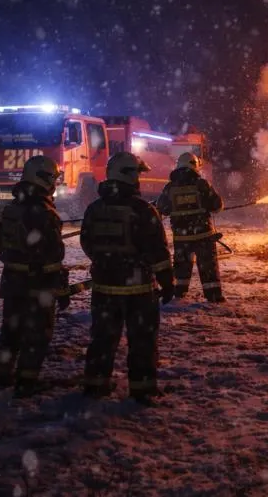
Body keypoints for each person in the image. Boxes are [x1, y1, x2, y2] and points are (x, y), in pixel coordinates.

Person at [80, 152, 174, 404]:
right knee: (142, 340)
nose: (139, 180)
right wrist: (167, 281)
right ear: (129, 175)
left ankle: (95, 385)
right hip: (139, 290)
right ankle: (142, 389)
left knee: (102, 338)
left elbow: (87, 243)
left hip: (103, 288)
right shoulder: (143, 210)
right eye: (137, 174)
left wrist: (108, 264)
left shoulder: (95, 209)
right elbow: (158, 251)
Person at [0, 155, 71, 397]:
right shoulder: (44, 212)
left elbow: (1, 244)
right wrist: (60, 287)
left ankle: (0, 374)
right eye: (53, 179)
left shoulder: (12, 208)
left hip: (13, 281)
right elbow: (53, 255)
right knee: (37, 333)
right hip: (38, 285)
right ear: (43, 179)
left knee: (11, 330)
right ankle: (26, 382)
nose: (55, 185)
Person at [156, 152, 226, 303]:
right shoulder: (201, 184)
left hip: (182, 237)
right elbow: (217, 205)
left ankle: (179, 294)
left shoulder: (170, 187)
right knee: (208, 266)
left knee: (181, 266)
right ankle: (213, 296)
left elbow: (162, 208)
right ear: (195, 166)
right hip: (204, 236)